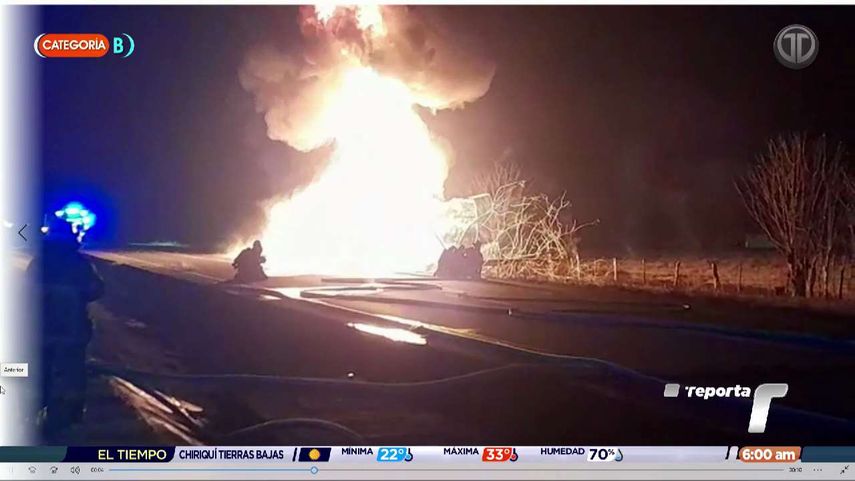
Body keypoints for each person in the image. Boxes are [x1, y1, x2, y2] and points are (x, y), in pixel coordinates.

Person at [27, 220, 104, 438]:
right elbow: (96, 290)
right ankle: (70, 416)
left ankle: (36, 409)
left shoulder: (39, 263)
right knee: (73, 373)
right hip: (72, 330)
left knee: (41, 370)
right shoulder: (79, 263)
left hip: (42, 330)